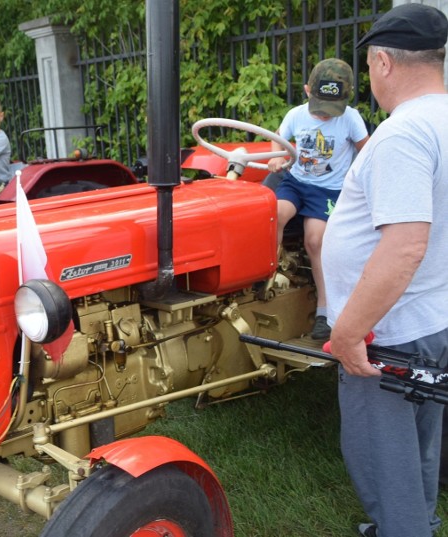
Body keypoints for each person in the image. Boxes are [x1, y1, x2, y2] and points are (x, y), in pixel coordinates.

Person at [322, 5, 448, 537]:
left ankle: (403, 527)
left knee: (384, 461)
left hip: (389, 333)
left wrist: (348, 331)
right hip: (431, 317)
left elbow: (404, 247)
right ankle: (417, 520)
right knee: (419, 444)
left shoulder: (403, 134)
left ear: (381, 62)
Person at [267, 58, 369, 341]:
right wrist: (278, 154)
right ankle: (269, 275)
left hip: (329, 190)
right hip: (297, 182)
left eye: (331, 110)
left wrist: (358, 182)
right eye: (320, 106)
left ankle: (324, 311)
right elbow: (277, 138)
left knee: (316, 240)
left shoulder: (350, 118)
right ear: (307, 90)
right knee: (274, 211)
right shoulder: (297, 115)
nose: (324, 115)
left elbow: (367, 150)